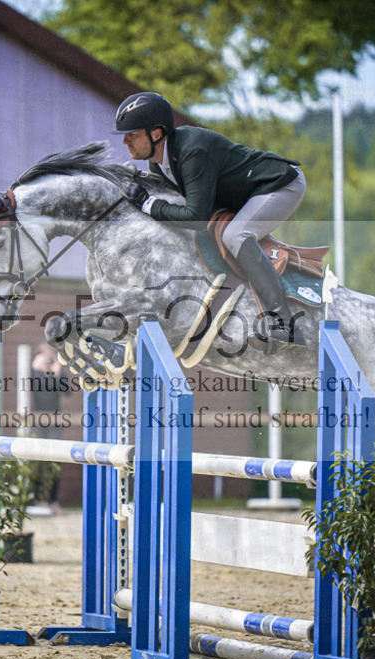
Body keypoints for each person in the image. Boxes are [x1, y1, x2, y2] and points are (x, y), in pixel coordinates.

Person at [113, 91, 308, 350]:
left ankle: (283, 323)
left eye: (133, 134)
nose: (125, 141)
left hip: (279, 183)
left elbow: (195, 217)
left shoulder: (192, 150)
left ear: (156, 134)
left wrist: (149, 204)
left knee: (235, 235)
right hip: (246, 194)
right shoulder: (158, 165)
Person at [28, 344, 66, 514]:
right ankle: (36, 500)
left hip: (54, 422)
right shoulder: (32, 373)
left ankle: (52, 500)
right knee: (36, 461)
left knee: (54, 463)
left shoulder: (55, 373)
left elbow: (67, 391)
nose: (48, 360)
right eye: (45, 356)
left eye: (51, 356)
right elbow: (27, 387)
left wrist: (58, 373)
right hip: (37, 421)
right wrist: (35, 369)